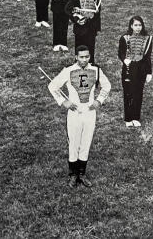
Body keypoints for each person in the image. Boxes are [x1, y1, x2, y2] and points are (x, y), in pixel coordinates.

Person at [48, 45, 111, 187]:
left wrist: (98, 101)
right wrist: (63, 101)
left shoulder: (96, 70)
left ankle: (82, 174)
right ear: (76, 57)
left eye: (87, 57)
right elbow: (52, 86)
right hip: (74, 112)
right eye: (81, 57)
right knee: (74, 143)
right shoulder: (68, 70)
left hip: (90, 111)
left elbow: (107, 86)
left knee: (86, 142)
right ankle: (73, 174)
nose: (84, 60)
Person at [116, 16, 153, 127]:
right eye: (135, 25)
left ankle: (136, 117)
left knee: (138, 93)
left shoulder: (148, 38)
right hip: (128, 67)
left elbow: (147, 57)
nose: (138, 28)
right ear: (131, 26)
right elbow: (120, 52)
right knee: (128, 93)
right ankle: (128, 118)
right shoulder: (124, 38)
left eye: (140, 25)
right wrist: (124, 60)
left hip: (141, 68)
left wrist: (149, 72)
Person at [66, 0, 103, 64]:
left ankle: (91, 67)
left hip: (91, 27)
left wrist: (96, 27)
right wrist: (76, 19)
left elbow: (97, 13)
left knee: (90, 49)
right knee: (79, 49)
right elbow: (67, 8)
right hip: (80, 27)